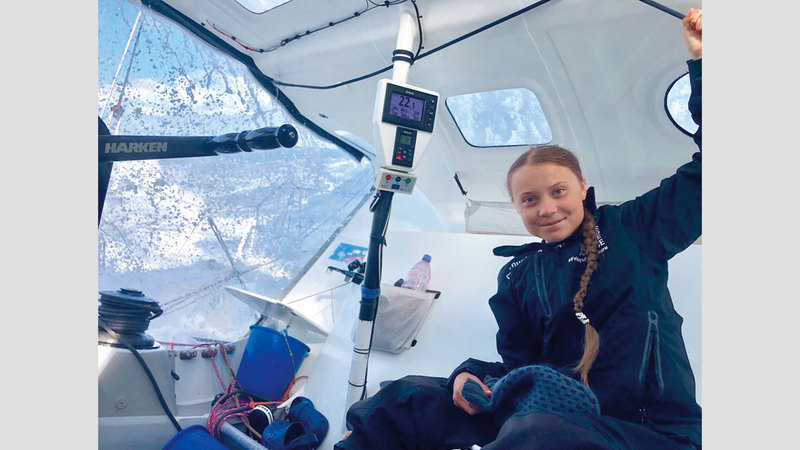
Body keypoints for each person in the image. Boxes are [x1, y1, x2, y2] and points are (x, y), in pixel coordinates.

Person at [335, 8, 703, 450]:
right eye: (529, 199)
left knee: (537, 433)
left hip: (645, 431)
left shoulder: (634, 228)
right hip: (550, 413)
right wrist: (469, 375)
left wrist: (704, 64)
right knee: (407, 398)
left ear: (582, 187)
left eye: (558, 191)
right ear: (516, 207)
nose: (546, 208)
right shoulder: (516, 275)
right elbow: (520, 366)